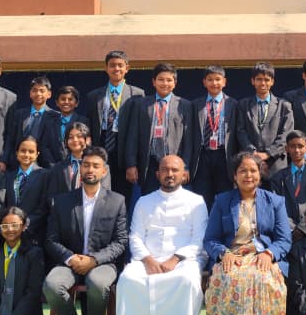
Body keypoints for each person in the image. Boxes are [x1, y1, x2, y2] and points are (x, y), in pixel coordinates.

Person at [204, 153, 292, 315]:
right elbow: (210, 239)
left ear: (260, 174)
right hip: (231, 256)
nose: (248, 175)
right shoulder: (222, 201)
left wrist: (269, 253)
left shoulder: (275, 201)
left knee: (262, 280)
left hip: (262, 256)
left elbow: (284, 239)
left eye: (253, 170)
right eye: (243, 171)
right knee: (227, 280)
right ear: (234, 176)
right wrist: (224, 253)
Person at [115, 155, 208, 315]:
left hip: (185, 259)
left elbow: (198, 239)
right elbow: (135, 236)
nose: (170, 174)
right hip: (147, 259)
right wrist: (148, 260)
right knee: (129, 279)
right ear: (157, 174)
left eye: (175, 170)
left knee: (185, 280)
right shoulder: (144, 201)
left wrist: (174, 259)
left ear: (184, 175)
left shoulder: (196, 202)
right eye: (165, 170)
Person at [45, 146, 128, 315]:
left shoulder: (117, 201)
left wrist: (94, 260)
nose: (90, 170)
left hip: (102, 263)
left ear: (104, 171)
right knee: (52, 285)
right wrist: (71, 258)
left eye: (95, 166)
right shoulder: (62, 201)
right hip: (69, 262)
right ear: (80, 168)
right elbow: (51, 239)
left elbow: (120, 242)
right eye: (86, 165)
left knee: (98, 284)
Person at [120, 62, 199, 197]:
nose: (165, 83)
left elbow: (188, 140)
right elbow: (132, 136)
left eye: (169, 80)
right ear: (154, 82)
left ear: (175, 83)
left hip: (173, 163)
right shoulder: (141, 104)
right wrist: (131, 164)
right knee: (149, 199)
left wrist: (185, 166)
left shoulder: (185, 105)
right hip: (149, 163)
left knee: (174, 199)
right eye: (161, 79)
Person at [83, 50, 143, 198]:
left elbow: (137, 130)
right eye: (112, 65)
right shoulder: (93, 96)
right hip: (101, 144)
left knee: (123, 195)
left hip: (124, 147)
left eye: (120, 65)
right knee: (99, 193)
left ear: (127, 68)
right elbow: (89, 126)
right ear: (106, 68)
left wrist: (132, 162)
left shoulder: (137, 94)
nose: (116, 69)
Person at [191, 65, 239, 209]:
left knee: (225, 196)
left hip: (224, 155)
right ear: (204, 82)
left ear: (224, 82)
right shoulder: (195, 105)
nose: (214, 83)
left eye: (218, 79)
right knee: (201, 197)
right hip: (202, 156)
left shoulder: (234, 104)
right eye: (210, 79)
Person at [237, 62, 294, 180]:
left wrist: (268, 154)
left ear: (272, 81)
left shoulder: (284, 105)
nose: (263, 83)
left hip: (276, 163)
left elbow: (286, 134)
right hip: (251, 162)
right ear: (252, 81)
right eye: (259, 79)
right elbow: (240, 131)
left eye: (267, 80)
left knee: (276, 192)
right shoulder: (243, 104)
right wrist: (253, 152)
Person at [270, 131, 306, 240]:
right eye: (292, 146)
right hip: (287, 232)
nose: (296, 150)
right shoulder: (278, 178)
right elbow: (277, 207)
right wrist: (292, 229)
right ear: (286, 149)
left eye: (300, 146)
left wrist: (302, 228)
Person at [5, 76, 62, 169]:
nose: (38, 93)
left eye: (42, 91)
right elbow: (10, 139)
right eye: (34, 90)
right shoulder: (19, 114)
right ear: (30, 93)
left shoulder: (56, 116)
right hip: (18, 164)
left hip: (46, 166)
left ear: (49, 94)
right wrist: (4, 160)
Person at [44, 122, 111, 200]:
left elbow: (105, 195)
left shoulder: (102, 167)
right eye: (71, 137)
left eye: (79, 136)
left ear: (88, 140)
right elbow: (52, 197)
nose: (75, 140)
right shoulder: (58, 168)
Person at [6, 136, 49, 241]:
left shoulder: (45, 175)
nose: (26, 154)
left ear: (37, 154)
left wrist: (25, 224)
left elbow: (44, 206)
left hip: (34, 233)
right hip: (9, 232)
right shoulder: (8, 176)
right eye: (23, 151)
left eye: (31, 151)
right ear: (17, 153)